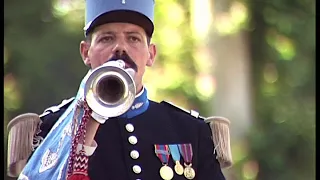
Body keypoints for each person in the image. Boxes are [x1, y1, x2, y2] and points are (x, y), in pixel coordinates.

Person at [6, 0, 233, 179]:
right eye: (106, 38)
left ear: (151, 54)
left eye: (133, 38)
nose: (120, 48)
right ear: (86, 53)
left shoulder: (191, 131)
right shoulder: (48, 130)